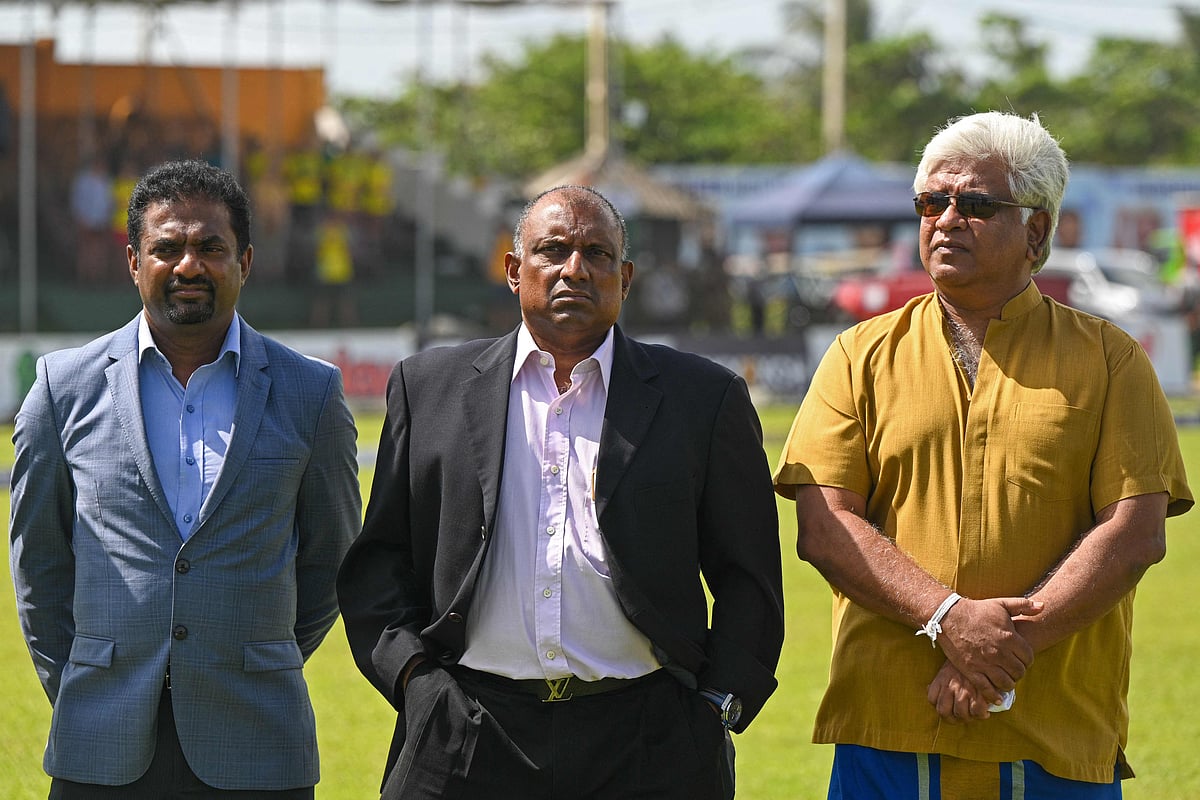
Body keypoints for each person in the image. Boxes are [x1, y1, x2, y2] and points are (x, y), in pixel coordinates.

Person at [772, 110, 1193, 799]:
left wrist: (997, 651)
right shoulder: (858, 355)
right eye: (931, 203)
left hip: (1053, 733)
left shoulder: (1112, 361)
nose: (945, 219)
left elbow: (1133, 535)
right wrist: (950, 621)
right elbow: (824, 529)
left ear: (1037, 231)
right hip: (889, 729)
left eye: (975, 204)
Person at [337, 184, 784, 800]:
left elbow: (749, 576)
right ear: (514, 271)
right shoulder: (427, 387)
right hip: (466, 732)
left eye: (597, 253)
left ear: (624, 278)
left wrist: (715, 707)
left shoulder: (703, 399)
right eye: (553, 250)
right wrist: (416, 683)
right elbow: (379, 563)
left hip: (651, 741)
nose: (575, 268)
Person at [9, 159, 361, 798]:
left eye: (210, 247)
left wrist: (252, 659)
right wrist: (88, 681)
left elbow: (332, 560)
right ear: (133, 262)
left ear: (245, 262)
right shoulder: (63, 390)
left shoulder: (311, 393)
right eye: (166, 248)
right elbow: (40, 565)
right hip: (101, 746)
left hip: (256, 743)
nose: (189, 265)